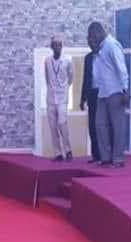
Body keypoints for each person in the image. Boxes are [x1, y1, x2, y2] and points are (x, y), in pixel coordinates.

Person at [88, 21, 129, 168]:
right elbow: (98, 72)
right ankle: (105, 158)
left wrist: (125, 90)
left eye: (93, 36)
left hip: (115, 91)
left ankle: (118, 159)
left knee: (118, 126)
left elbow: (121, 68)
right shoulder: (99, 49)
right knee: (100, 125)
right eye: (90, 37)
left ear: (100, 32)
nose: (92, 39)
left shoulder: (112, 45)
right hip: (102, 92)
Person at [44, 34, 74, 162]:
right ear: (51, 47)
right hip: (51, 97)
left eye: (59, 45)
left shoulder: (67, 61)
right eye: (55, 45)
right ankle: (58, 153)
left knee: (62, 123)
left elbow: (71, 78)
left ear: (62, 46)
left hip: (62, 97)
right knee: (52, 126)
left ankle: (68, 150)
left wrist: (64, 88)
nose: (57, 47)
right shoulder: (47, 61)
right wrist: (52, 88)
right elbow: (47, 78)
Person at [80, 45, 100, 164]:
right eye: (89, 41)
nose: (91, 43)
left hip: (103, 94)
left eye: (93, 40)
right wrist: (82, 98)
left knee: (102, 126)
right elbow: (85, 78)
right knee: (92, 125)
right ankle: (95, 155)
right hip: (92, 94)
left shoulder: (105, 55)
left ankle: (104, 155)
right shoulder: (88, 58)